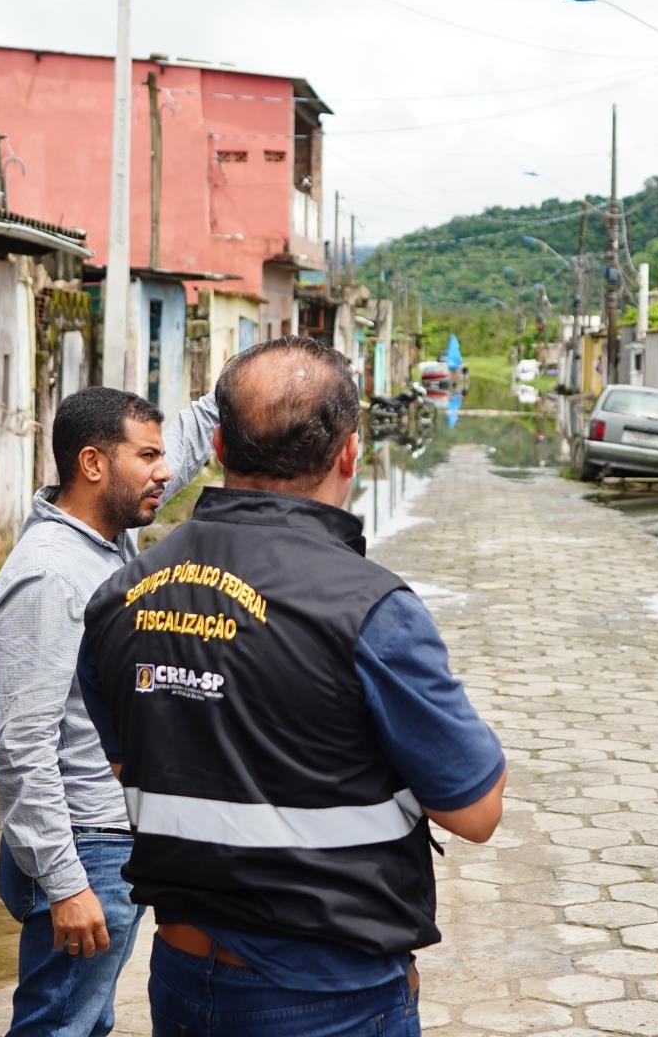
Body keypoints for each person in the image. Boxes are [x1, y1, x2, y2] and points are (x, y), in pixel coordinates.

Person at [80, 335, 507, 1036]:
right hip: (328, 996)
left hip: (183, 978)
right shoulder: (371, 608)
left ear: (218, 445)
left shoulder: (121, 594)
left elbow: (139, 763)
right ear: (349, 453)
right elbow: (476, 811)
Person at [0, 384, 219, 1037]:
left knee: (84, 1021)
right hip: (87, 848)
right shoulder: (52, 577)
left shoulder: (102, 537)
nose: (164, 472)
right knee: (58, 1026)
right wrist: (66, 884)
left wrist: (236, 394)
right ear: (93, 465)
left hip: (104, 842)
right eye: (147, 456)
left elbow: (178, 455)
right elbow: (20, 747)